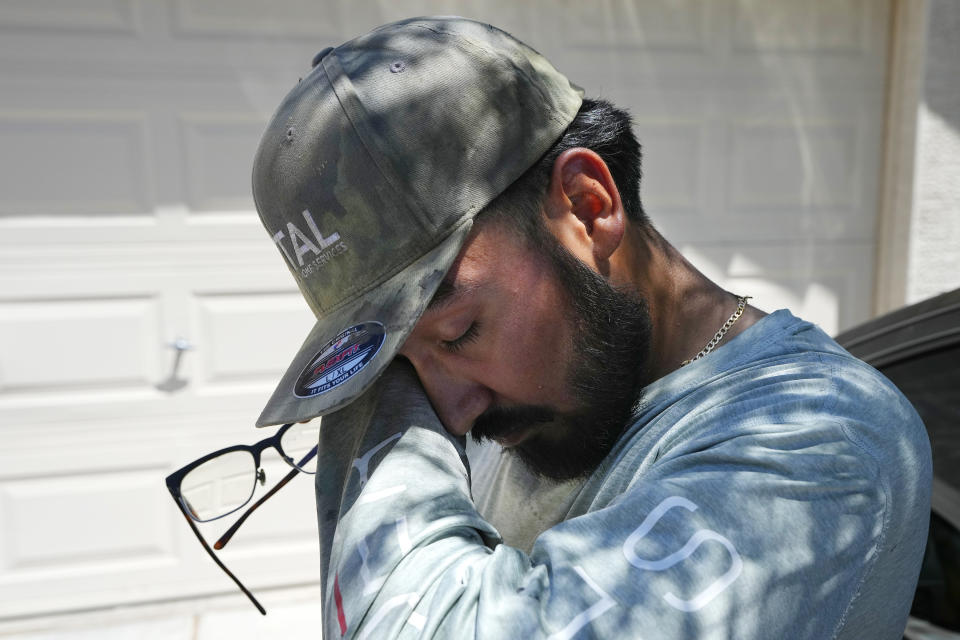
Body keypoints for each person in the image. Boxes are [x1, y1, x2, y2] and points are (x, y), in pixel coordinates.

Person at [250, 16, 931, 639]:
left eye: (458, 332)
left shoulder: (823, 438)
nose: (450, 413)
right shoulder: (544, 402)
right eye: (405, 364)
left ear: (587, 206)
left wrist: (373, 411)